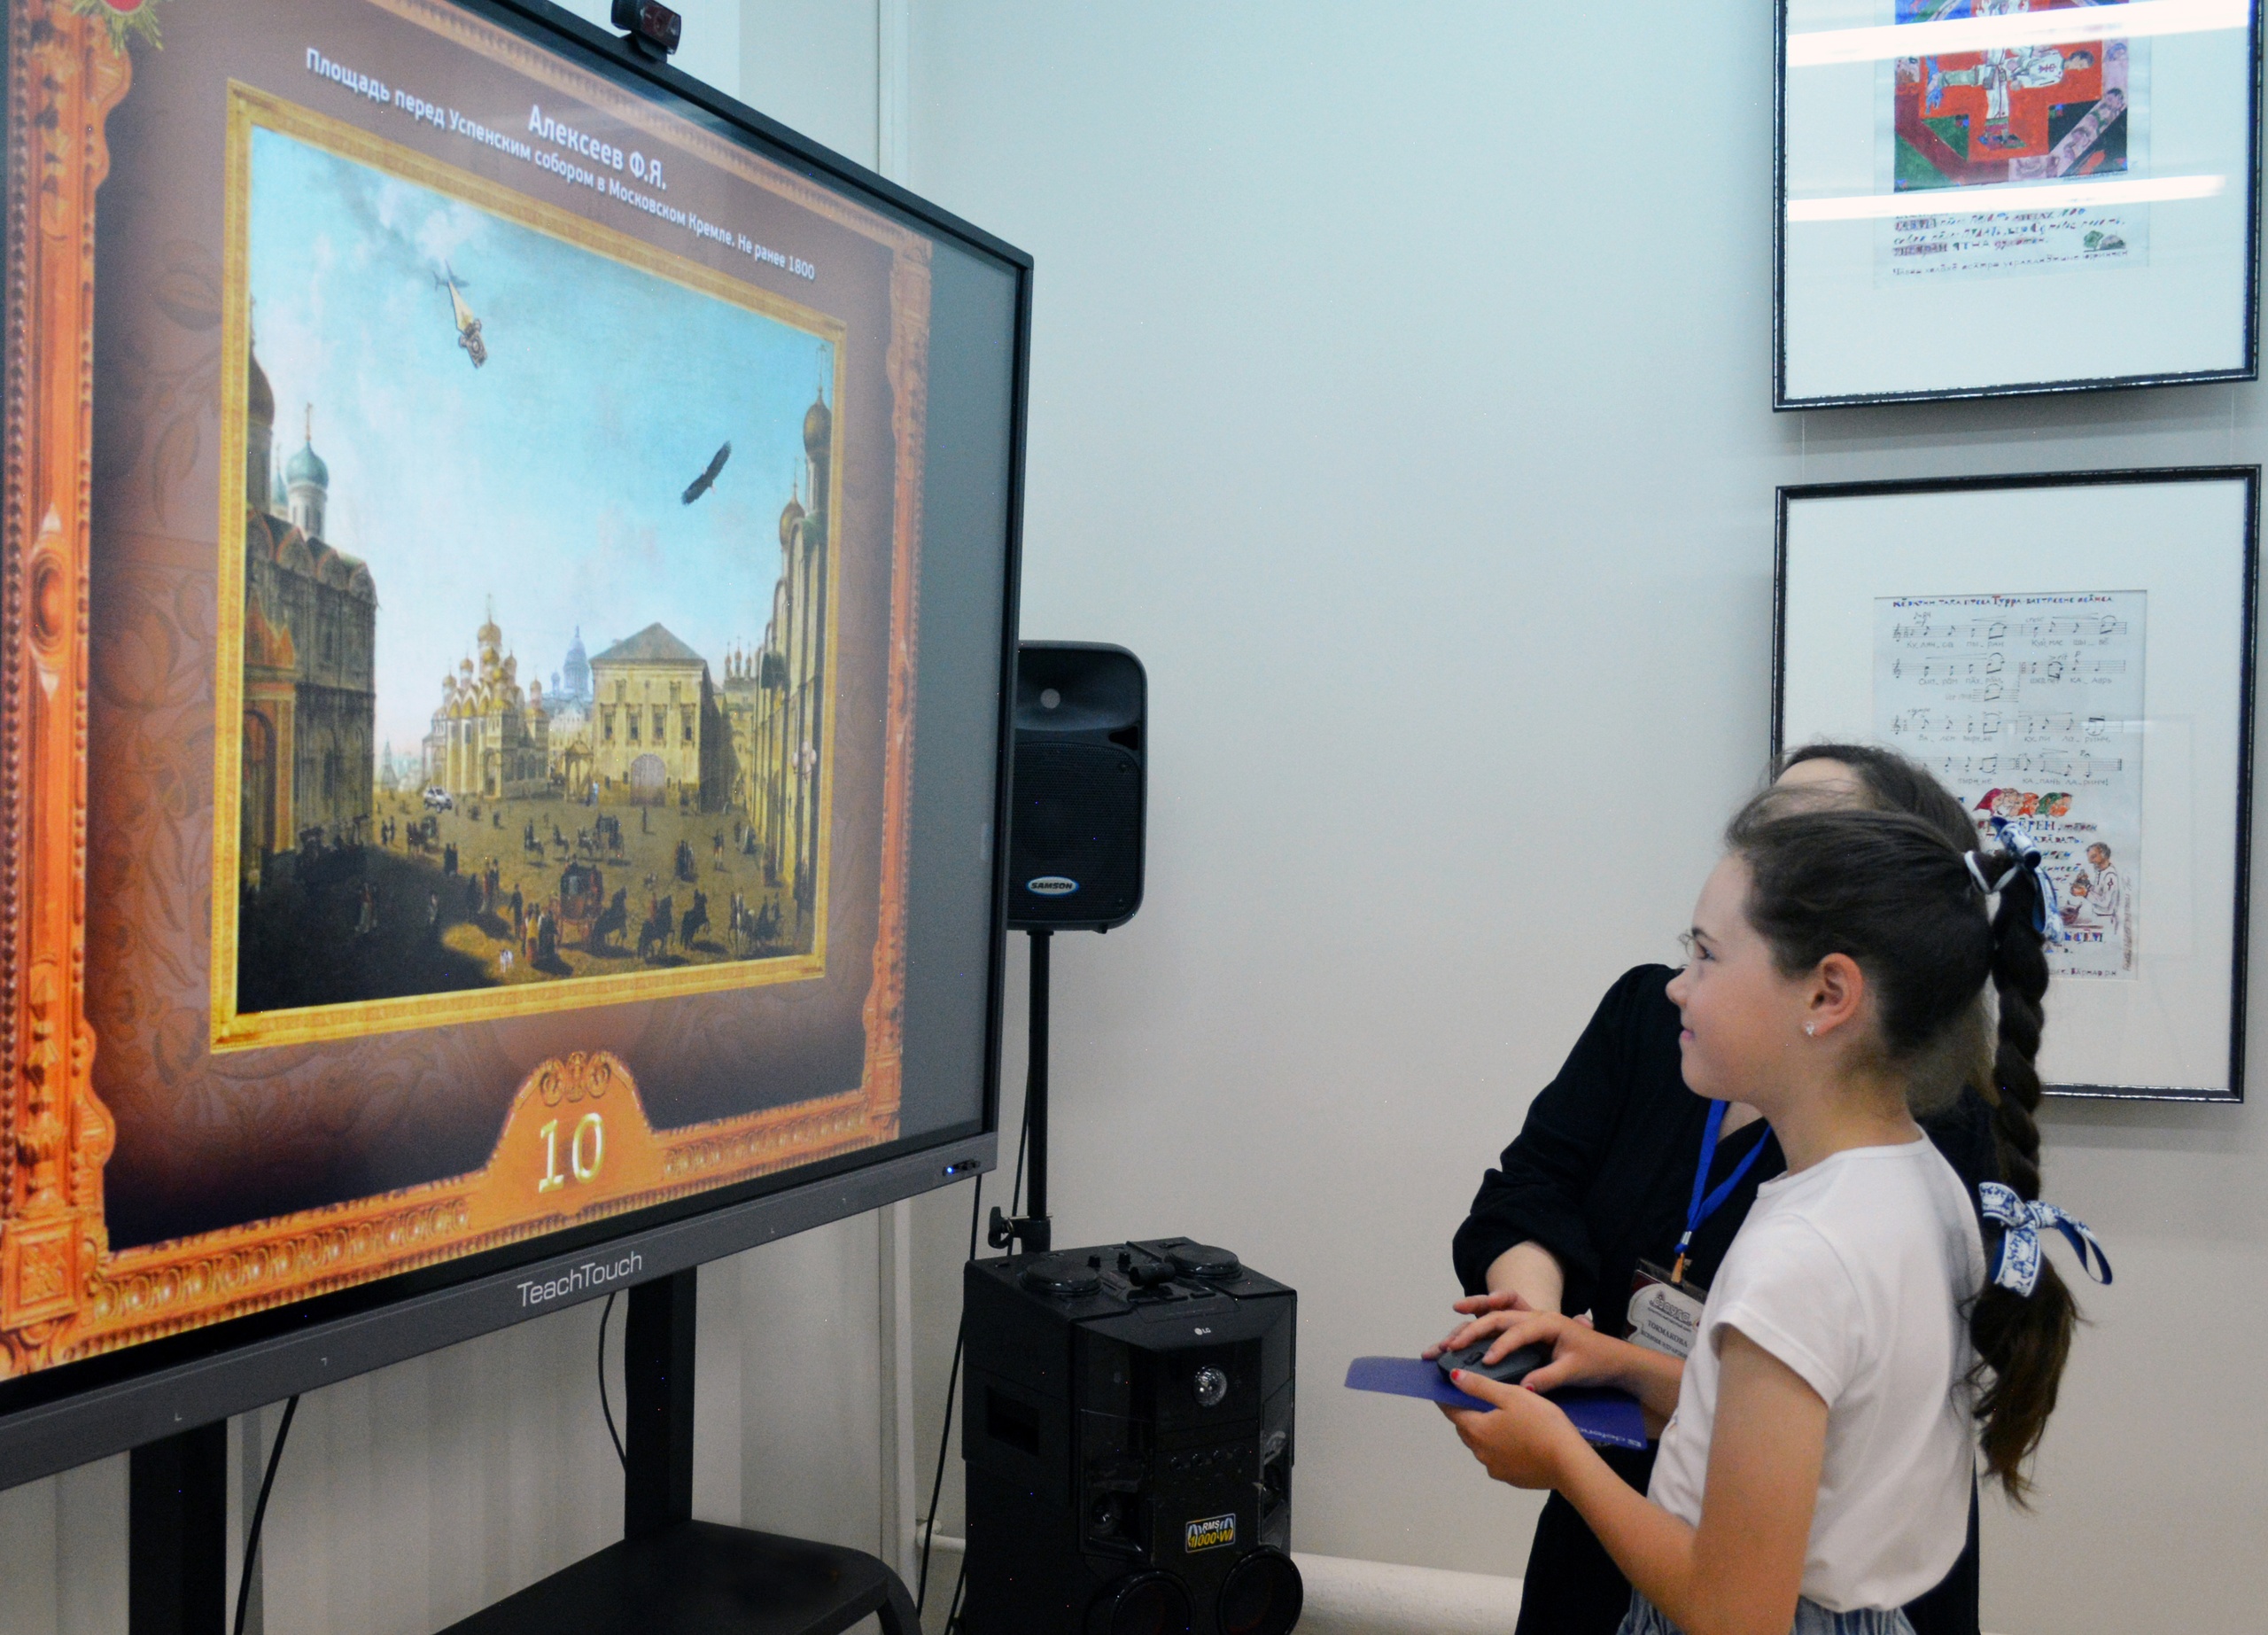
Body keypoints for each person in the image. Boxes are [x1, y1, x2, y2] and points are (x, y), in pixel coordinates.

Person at [1440, 799, 2101, 1635]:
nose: (1676, 985)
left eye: (1707, 955)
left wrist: (1562, 1457)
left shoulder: (1800, 1254)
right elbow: (1815, 1432)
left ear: (1827, 993)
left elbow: (1733, 1612)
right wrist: (1622, 1367)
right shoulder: (1921, 1184)